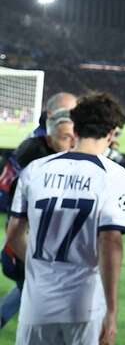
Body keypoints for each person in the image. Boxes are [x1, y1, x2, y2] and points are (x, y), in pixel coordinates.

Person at [6, 92, 125, 345]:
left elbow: (13, 235)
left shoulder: (34, 170)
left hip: (36, 305)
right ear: (111, 133)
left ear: (75, 125)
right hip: (84, 307)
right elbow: (110, 242)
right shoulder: (114, 175)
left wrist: (40, 266)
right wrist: (111, 312)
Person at [0, 107, 76, 328]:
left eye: (75, 137)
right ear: (49, 138)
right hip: (29, 250)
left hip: (43, 252)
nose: (72, 143)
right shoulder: (33, 168)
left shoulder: (51, 159)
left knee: (27, 292)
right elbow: (17, 225)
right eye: (65, 138)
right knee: (39, 310)